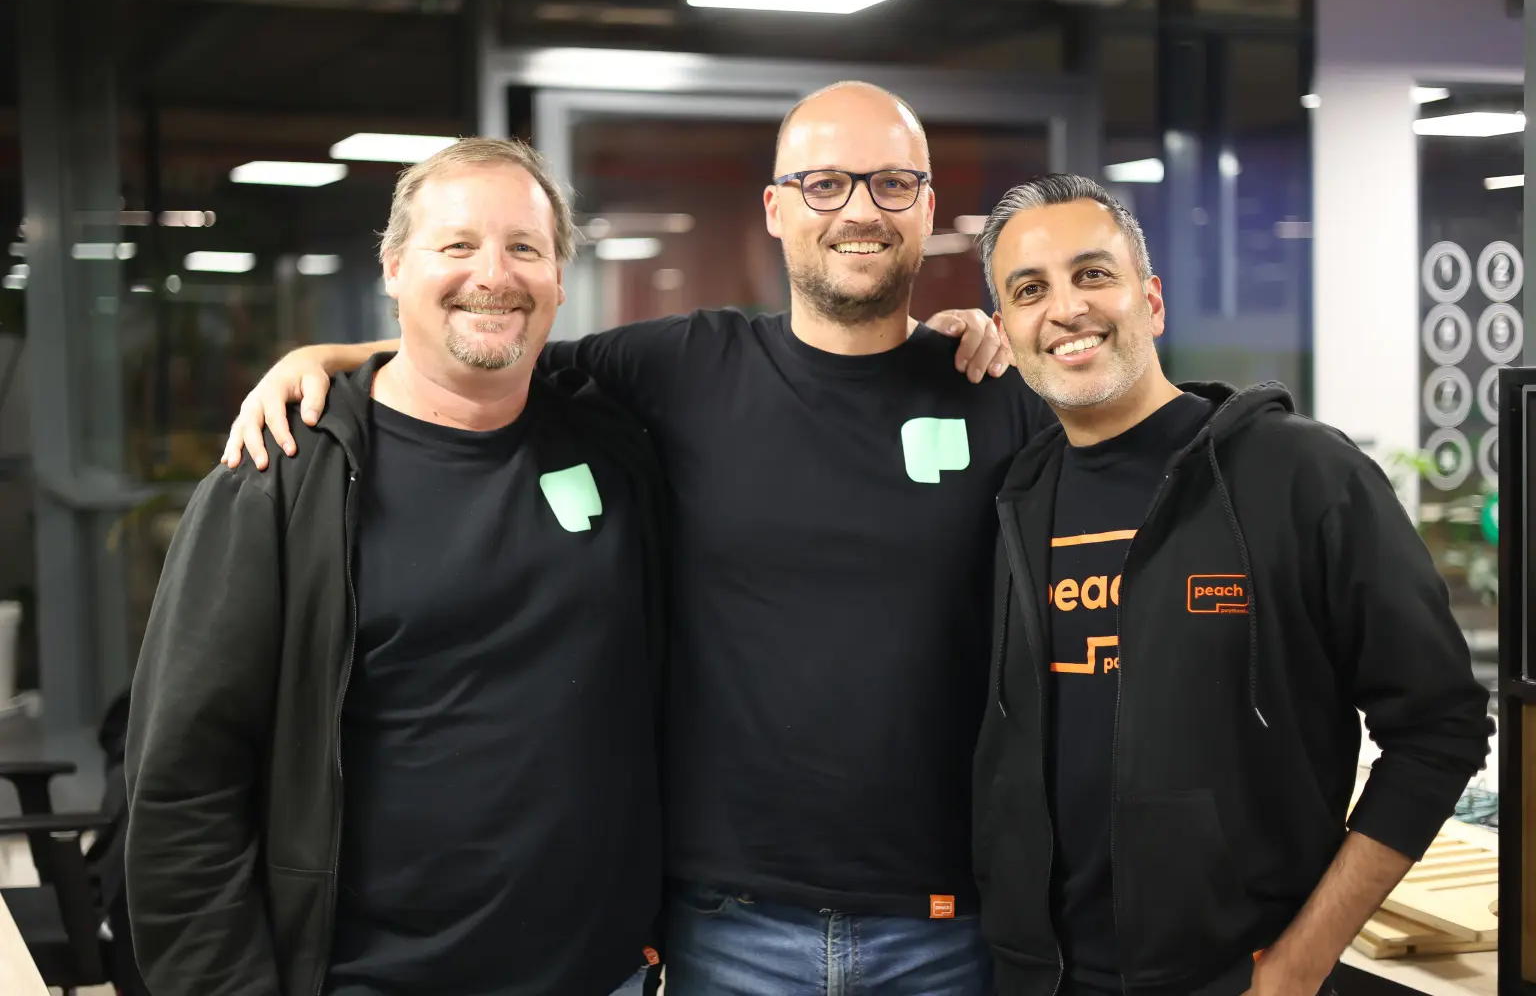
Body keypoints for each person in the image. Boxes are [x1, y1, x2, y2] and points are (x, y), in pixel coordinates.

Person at [221, 82, 1047, 994]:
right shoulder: (681, 368)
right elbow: (487, 349)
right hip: (727, 929)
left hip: (946, 930)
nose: (859, 209)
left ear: (927, 207)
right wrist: (326, 359)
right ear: (775, 208)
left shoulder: (992, 392)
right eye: (824, 184)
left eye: (892, 183)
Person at [125, 138, 668, 996]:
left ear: (559, 277)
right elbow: (183, 786)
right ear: (393, 267)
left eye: (524, 248)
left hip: (602, 977)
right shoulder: (281, 479)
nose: (493, 273)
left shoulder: (615, 444)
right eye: (457, 245)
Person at [971, 173, 1493, 996]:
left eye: (1093, 274)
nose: (1065, 308)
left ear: (1152, 302)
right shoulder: (1014, 501)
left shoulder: (1301, 476)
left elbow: (1441, 728)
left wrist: (1301, 962)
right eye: (1029, 290)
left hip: (1236, 980)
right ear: (1005, 330)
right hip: (1036, 979)